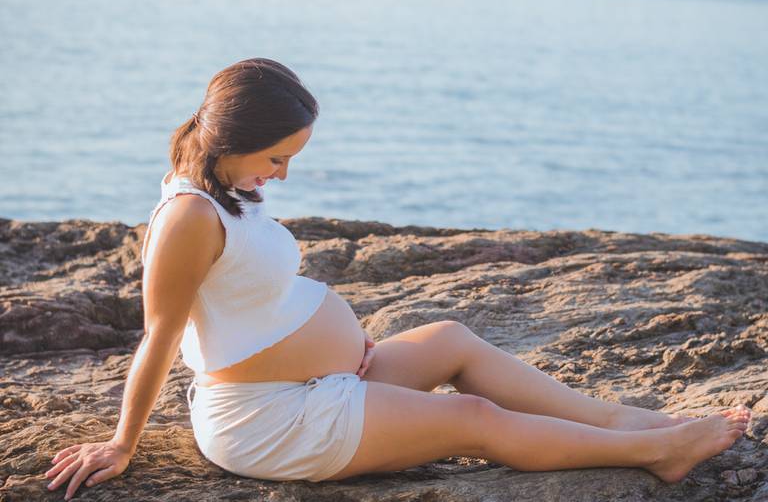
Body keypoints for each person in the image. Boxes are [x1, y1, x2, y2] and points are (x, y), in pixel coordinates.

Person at [44, 58, 752, 500]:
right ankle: (657, 451)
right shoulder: (187, 217)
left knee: (452, 339)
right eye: (278, 155)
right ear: (233, 136)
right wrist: (122, 443)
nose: (284, 173)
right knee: (473, 422)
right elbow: (161, 336)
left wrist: (327, 348)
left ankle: (624, 420)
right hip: (268, 421)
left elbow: (248, 297)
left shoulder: (230, 188)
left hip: (319, 383)